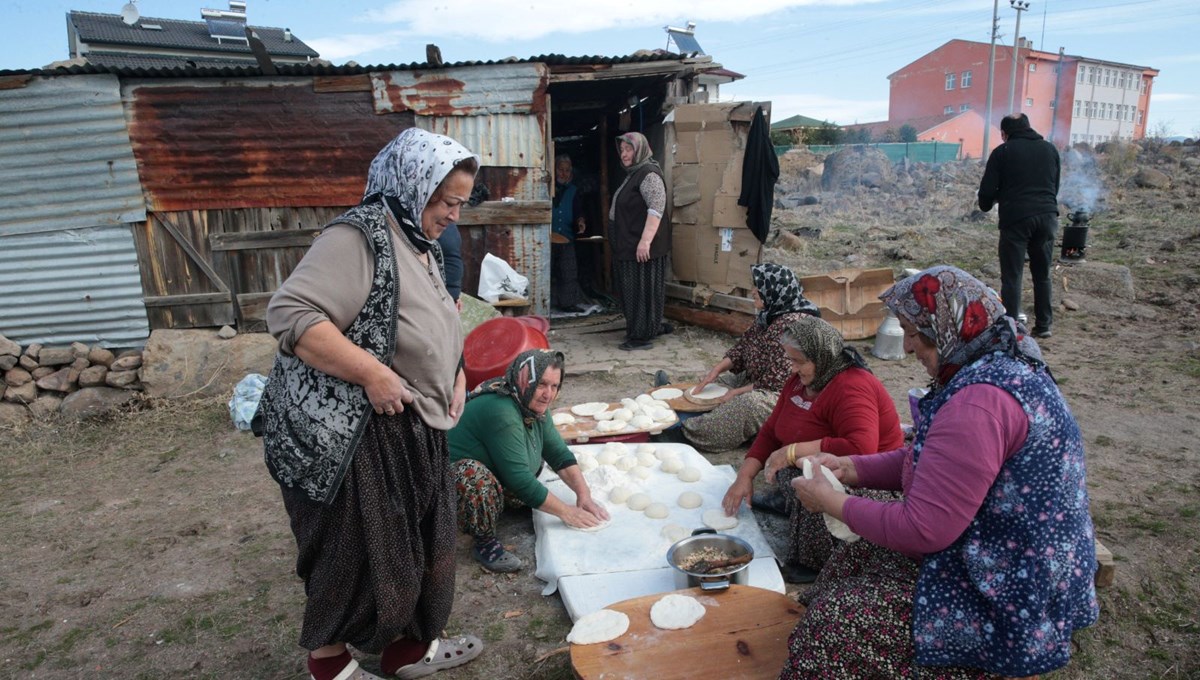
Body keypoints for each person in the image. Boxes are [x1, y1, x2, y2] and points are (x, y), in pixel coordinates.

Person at [783, 265, 1098, 679]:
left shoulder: (978, 403)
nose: (909, 347)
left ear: (949, 327)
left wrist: (835, 502)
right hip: (995, 544)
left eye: (916, 334)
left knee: (837, 620)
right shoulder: (990, 366)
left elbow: (925, 529)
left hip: (1011, 585)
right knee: (855, 557)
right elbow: (931, 461)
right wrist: (852, 469)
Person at [260, 128, 484, 680]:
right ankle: (331, 667)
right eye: (448, 201)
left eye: (460, 202)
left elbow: (428, 320)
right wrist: (372, 373)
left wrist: (454, 371)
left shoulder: (415, 238)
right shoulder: (357, 237)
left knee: (420, 548)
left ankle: (409, 651)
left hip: (410, 426)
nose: (455, 214)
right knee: (353, 555)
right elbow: (292, 315)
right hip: (352, 437)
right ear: (413, 186)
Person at [720, 315, 902, 584]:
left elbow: (862, 448)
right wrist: (744, 477)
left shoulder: (852, 386)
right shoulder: (799, 382)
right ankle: (792, 507)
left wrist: (794, 451)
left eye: (798, 361)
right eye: (790, 360)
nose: (792, 369)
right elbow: (771, 431)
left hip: (871, 479)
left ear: (822, 354)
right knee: (792, 472)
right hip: (826, 464)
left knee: (809, 478)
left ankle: (816, 563)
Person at [449, 349, 609, 572]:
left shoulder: (532, 406)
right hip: (447, 487)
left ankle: (501, 503)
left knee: (532, 458)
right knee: (472, 477)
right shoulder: (501, 410)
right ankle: (483, 541)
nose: (548, 394)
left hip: (498, 472)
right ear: (524, 380)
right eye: (541, 384)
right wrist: (567, 512)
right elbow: (520, 479)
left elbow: (559, 455)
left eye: (554, 386)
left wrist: (584, 495)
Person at [676, 263, 820, 453]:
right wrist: (716, 370)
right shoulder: (770, 314)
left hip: (788, 393)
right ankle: (691, 412)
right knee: (718, 383)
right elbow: (743, 347)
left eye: (758, 288)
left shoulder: (794, 326)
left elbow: (778, 381)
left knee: (747, 405)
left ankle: (687, 432)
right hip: (758, 379)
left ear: (774, 290)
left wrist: (737, 393)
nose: (753, 292)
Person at [978, 112, 1060, 339]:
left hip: (1016, 220)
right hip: (1047, 217)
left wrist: (992, 201)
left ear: (1004, 134)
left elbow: (985, 194)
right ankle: (1044, 325)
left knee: (1012, 276)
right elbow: (1055, 186)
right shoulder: (1050, 149)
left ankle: (1012, 328)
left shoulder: (1002, 152)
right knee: (1042, 274)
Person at [610, 131, 670, 351]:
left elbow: (656, 208)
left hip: (642, 247)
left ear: (640, 150)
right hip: (630, 244)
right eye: (622, 150)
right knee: (634, 290)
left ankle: (641, 336)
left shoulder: (648, 174)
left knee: (642, 291)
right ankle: (649, 327)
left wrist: (645, 242)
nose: (624, 154)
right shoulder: (634, 172)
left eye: (629, 149)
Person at [551, 154, 588, 312]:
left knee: (568, 272)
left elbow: (578, 211)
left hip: (567, 237)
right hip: (548, 238)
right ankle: (547, 303)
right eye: (560, 169)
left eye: (567, 170)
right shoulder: (548, 189)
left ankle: (567, 304)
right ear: (555, 170)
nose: (563, 173)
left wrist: (580, 221)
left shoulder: (574, 190)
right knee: (547, 270)